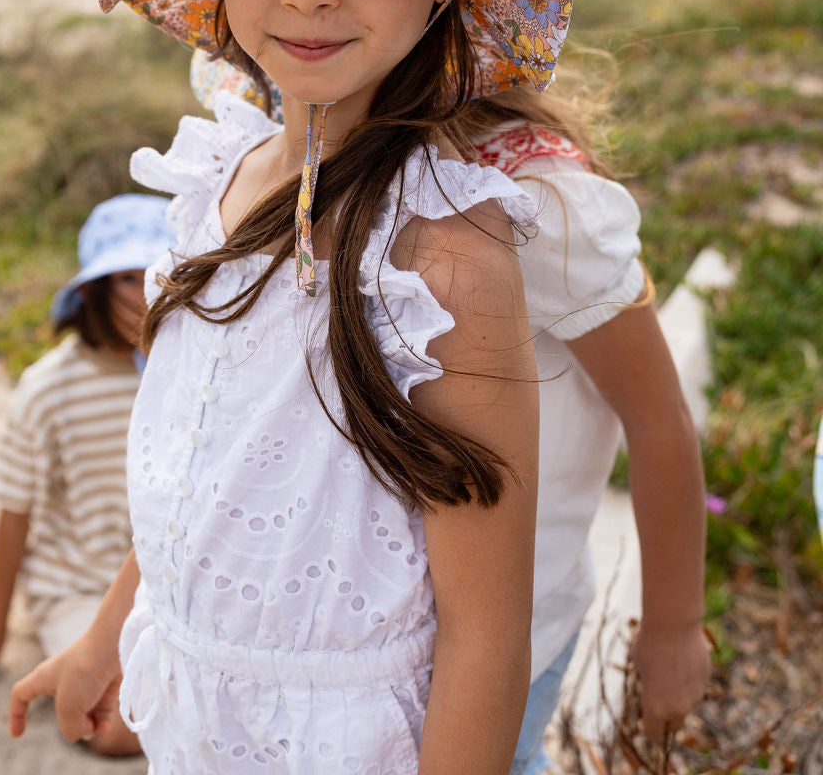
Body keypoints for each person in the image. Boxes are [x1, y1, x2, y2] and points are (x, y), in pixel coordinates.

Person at [6, 0, 685, 772]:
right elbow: (207, 473)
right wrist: (105, 637)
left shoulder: (453, 260)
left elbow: (485, 635)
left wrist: (673, 628)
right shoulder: (213, 186)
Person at [192, 48, 711, 771]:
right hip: (339, 649)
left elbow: (657, 418)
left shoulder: (537, 202)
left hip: (498, 644)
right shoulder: (294, 169)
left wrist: (674, 627)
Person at [0, 193, 173, 759]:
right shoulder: (48, 387)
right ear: (91, 290)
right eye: (126, 278)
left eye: (157, 273)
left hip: (163, 585)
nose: (146, 294)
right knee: (118, 729)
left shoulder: (179, 369)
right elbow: (13, 513)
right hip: (79, 587)